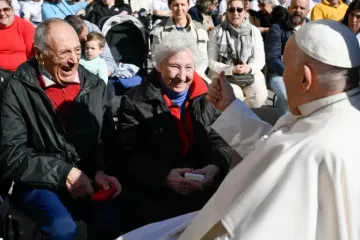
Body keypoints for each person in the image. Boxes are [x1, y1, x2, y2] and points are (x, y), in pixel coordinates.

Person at [118, 18, 360, 240]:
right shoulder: (330, 115)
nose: (182, 76)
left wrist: (213, 168)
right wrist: (231, 108)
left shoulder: (315, 149)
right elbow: (273, 146)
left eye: (285, 67)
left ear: (305, 79)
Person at [0, 19, 122, 240]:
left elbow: (105, 141)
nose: (73, 60)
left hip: (87, 178)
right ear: (39, 54)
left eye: (77, 50)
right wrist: (64, 173)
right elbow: (11, 155)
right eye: (64, 53)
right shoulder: (15, 88)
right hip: (36, 183)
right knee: (62, 229)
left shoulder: (95, 86)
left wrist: (102, 171)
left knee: (112, 221)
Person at [115, 31, 232, 232]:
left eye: (188, 67)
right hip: (156, 189)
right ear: (159, 67)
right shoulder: (134, 101)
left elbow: (221, 140)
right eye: (174, 67)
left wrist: (214, 167)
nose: (182, 76)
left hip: (202, 183)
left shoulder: (207, 96)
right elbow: (128, 155)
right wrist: (165, 176)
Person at [208, 0, 268, 108]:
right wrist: (231, 69)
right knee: (235, 96)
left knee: (259, 96)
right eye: (231, 10)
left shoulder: (254, 31)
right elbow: (211, 61)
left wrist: (248, 68)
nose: (235, 13)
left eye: (239, 10)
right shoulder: (216, 32)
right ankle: (238, 119)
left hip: (248, 72)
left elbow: (260, 60)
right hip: (223, 72)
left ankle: (247, 119)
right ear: (227, 12)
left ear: (245, 11)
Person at [265, 0, 309, 115]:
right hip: (279, 73)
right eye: (295, 7)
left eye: (302, 8)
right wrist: (294, 73)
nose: (298, 10)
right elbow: (272, 59)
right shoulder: (277, 29)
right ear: (289, 9)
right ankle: (283, 124)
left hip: (306, 74)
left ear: (308, 11)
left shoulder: (312, 29)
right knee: (287, 94)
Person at [151, 0, 210, 83]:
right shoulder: (160, 30)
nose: (179, 8)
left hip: (196, 76)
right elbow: (156, 60)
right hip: (169, 78)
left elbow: (202, 60)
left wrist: (190, 78)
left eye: (182, 4)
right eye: (175, 5)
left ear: (188, 5)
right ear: (169, 6)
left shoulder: (199, 30)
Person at [0, 0, 35, 72]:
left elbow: (33, 56)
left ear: (12, 9)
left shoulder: (25, 26)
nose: (2, 13)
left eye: (6, 9)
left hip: (19, 75)